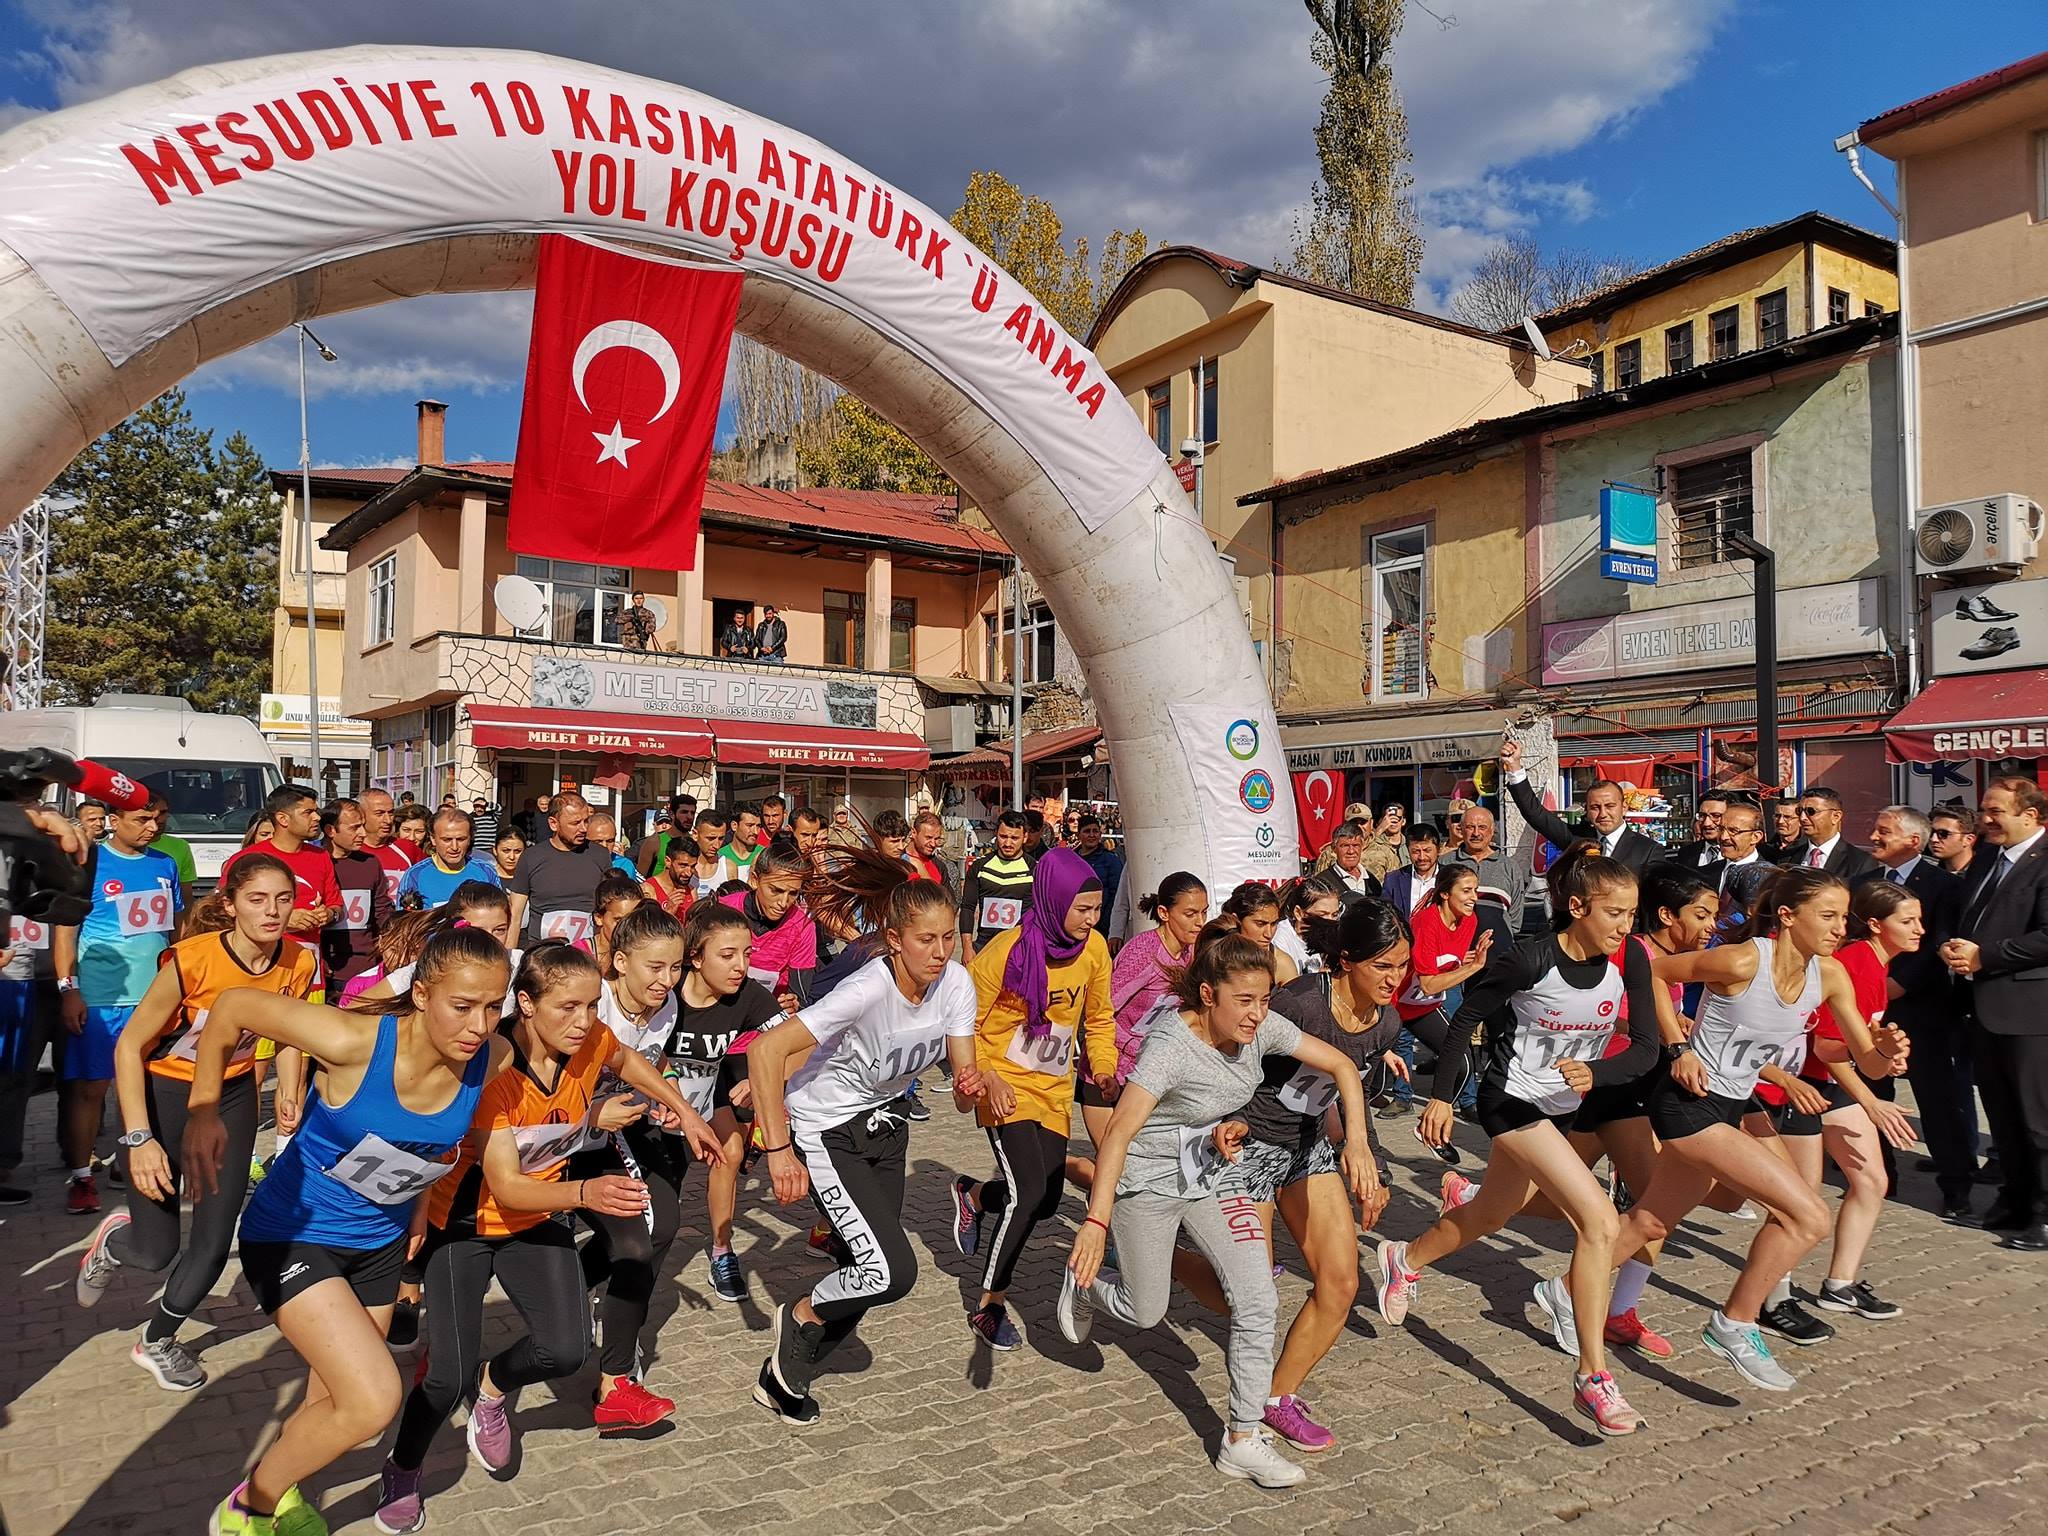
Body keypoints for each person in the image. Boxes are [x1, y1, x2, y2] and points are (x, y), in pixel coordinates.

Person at [374, 941, 712, 1532]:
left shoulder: (587, 1043)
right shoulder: (494, 1068)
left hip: (535, 1219)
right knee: (443, 1376)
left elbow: (628, 1060)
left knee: (566, 1350)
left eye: (589, 1006)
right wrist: (587, 1193)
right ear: (525, 1003)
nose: (584, 1022)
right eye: (567, 1008)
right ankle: (403, 1467)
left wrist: (685, 1110)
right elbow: (507, 1186)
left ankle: (495, 1386)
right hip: (465, 1225)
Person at [185, 922, 510, 1536]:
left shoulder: (492, 1057)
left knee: (329, 1400)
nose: (478, 1025)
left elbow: (433, 1147)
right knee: (372, 1401)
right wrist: (204, 1110)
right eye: (463, 1006)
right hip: (293, 1233)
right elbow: (231, 1007)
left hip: (381, 1247)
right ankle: (247, 1507)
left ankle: (285, 1495)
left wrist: (416, 1205)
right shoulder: (352, 1040)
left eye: (494, 1007)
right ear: (421, 994)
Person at [1058, 932, 1377, 1488]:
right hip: (1148, 1183)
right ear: (1208, 995)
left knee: (1258, 1298)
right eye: (1245, 1001)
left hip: (1214, 1176)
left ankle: (1242, 1439)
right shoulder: (1169, 1049)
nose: (1258, 1014)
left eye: (1264, 998)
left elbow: (1343, 1068)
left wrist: (1357, 1142)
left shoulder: (1263, 1029)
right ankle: (1086, 1285)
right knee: (1144, 1311)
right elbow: (1118, 1137)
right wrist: (1094, 1222)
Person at [1374, 848, 1661, 1435]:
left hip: (1565, 1105)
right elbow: (1461, 1021)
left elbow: (1646, 1049)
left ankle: (1403, 1259)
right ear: (1576, 907)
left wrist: (1596, 1075)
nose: (1625, 926)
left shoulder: (1630, 955)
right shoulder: (1528, 961)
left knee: (1491, 1211)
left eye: (1632, 913)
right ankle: (1592, 1376)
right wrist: (1441, 1097)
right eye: (1614, 913)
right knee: (1601, 1222)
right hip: (1509, 1101)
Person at [1601, 869, 1905, 1392]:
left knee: (1649, 1223)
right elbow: (1651, 973)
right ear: (1788, 917)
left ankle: (1564, 1293)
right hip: (1687, 1104)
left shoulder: (1830, 976)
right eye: (1827, 916)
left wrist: (1888, 1053)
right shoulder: (1742, 958)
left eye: (1843, 918)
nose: (1839, 928)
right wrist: (1678, 1047)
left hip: (1730, 1106)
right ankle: (1734, 1324)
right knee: (1807, 1215)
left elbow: (1868, 1064)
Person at [748, 844, 982, 1427]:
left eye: (949, 937)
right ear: (896, 938)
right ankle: (800, 1312)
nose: (940, 951)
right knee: (890, 1271)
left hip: (886, 1127)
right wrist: (778, 1151)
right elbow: (767, 1050)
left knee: (866, 1266)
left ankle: (782, 1375)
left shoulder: (955, 984)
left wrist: (977, 1085)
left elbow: (960, 1070)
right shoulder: (867, 987)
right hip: (827, 1129)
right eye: (926, 939)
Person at [73, 856, 317, 1390]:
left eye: (283, 899)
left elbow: (291, 1033)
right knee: (155, 1251)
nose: (273, 911)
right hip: (160, 1094)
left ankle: (157, 1339)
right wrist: (138, 1139)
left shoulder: (300, 962)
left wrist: (290, 1091)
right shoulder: (191, 960)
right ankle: (117, 1244)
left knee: (211, 1240)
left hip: (230, 1095)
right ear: (229, 904)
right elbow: (130, 1045)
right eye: (257, 899)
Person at [1182, 902, 1402, 1453]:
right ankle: (1153, 1253)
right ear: (1346, 961)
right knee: (1236, 1296)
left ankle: (1275, 1399)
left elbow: (1348, 1096)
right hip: (1248, 1144)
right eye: (1382, 967)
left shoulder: (1388, 1020)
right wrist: (1214, 1120)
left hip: (1306, 1149)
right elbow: (1226, 1049)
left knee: (1341, 1282)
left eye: (1402, 966)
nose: (1394, 979)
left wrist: (1368, 1158)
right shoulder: (1301, 1003)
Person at [949, 847, 1113, 1349]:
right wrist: (986, 1077)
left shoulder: (1095, 951)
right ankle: (990, 1305)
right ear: (1052, 899)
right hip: (1002, 1087)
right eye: (1082, 909)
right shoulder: (1006, 951)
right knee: (1026, 1195)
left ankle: (974, 1196)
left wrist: (1103, 1069)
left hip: (1053, 1090)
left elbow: (1100, 1021)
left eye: (1097, 910)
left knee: (1044, 1203)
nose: (1091, 919)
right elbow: (963, 1026)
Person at [1757, 879, 1921, 1338]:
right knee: (1799, 1199)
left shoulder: (1873, 964)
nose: (1920, 929)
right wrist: (1872, 1101)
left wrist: (1887, 1053)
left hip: (1830, 1081)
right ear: (1875, 925)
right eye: (1908, 921)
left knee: (1871, 1181)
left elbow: (1858, 1042)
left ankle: (1839, 1284)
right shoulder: (1853, 964)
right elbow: (1827, 1046)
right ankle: (1772, 1297)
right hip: (1805, 1083)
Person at [52, 801, 185, 1214]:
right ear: (113, 822)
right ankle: (80, 1176)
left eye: (157, 819)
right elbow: (66, 932)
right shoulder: (89, 862)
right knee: (91, 1089)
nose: (152, 826)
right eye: (141, 820)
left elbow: (176, 927)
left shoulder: (166, 862)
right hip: (102, 997)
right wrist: (68, 989)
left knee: (145, 1087)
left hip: (155, 998)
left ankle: (129, 1161)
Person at [657, 903, 785, 1305]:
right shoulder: (666, 992)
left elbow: (797, 1042)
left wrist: (761, 1078)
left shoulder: (748, 996)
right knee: (655, 1210)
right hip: (652, 1104)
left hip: (707, 1095)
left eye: (747, 954)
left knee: (731, 1151)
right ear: (695, 958)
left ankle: (721, 1251)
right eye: (727, 956)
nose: (740, 966)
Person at [1941, 776, 2048, 1251]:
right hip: (1983, 1009)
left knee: (2038, 1117)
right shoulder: (1987, 857)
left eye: (1996, 811)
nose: (1985, 819)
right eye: (1984, 810)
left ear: (2030, 815)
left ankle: (2045, 1214)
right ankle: (2016, 1199)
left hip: (2030, 1012)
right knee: (2003, 1116)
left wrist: (1989, 955)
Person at [1868, 804, 1975, 1221]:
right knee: (1875, 1092)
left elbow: (1941, 943)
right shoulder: (1866, 882)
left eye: (1884, 831)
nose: (1874, 837)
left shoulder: (1942, 885)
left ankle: (1956, 1188)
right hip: (1873, 1007)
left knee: (1938, 1100)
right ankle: (1882, 1176)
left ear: (1913, 841)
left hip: (1925, 1007)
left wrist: (1902, 983)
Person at [1389, 864, 1493, 1118]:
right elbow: (1428, 983)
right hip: (1392, 1006)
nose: (1473, 898)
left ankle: (1434, 1118)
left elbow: (1448, 961)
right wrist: (1474, 966)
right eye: (1467, 891)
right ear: (1445, 893)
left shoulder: (1470, 920)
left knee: (1462, 1061)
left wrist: (1466, 960)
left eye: (1475, 891)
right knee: (1371, 1078)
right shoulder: (1426, 922)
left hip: (1423, 1007)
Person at [1109, 873, 1209, 1102]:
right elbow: (1101, 1011)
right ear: (1164, 913)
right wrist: (1135, 1046)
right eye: (1190, 914)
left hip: (1151, 1072)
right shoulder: (1143, 951)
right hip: (1112, 1072)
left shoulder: (1190, 952)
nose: (1200, 922)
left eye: (1204, 912)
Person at [1499, 736, 1662, 874]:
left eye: (1610, 806)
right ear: (1587, 811)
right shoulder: (1576, 840)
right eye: (1595, 808)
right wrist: (1514, 767)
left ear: (1624, 808)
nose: (1603, 814)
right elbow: (1535, 813)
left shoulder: (1647, 850)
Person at [507, 791, 613, 946]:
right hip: (543, 953)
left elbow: (611, 908)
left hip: (588, 954)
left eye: (586, 821)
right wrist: (509, 959)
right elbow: (515, 916)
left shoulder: (600, 855)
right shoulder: (531, 857)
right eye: (575, 823)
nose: (583, 829)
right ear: (553, 824)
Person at [722, 840, 816, 1008]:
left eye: (793, 893)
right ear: (755, 879)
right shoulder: (723, 910)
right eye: (776, 890)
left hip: (767, 1016)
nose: (784, 902)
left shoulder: (803, 927)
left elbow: (800, 996)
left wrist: (794, 1004)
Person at [321, 798, 396, 993]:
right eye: (354, 828)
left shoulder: (370, 863)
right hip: (326, 969)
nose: (362, 834)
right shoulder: (315, 863)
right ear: (331, 830)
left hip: (366, 966)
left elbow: (382, 910)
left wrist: (388, 942)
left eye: (362, 826)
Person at [1442, 801, 1531, 955]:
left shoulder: (1509, 867)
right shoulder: (1445, 863)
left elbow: (1515, 921)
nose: (1476, 833)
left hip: (1498, 956)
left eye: (1482, 827)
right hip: (1453, 955)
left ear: (1492, 830)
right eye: (1470, 827)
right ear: (1461, 830)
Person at [959, 810, 1034, 960]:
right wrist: (967, 947)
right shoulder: (979, 866)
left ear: (1025, 837)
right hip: (985, 946)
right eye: (1003, 836)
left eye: (1014, 838)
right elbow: (967, 907)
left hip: (1020, 949)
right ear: (996, 834)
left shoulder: (1035, 869)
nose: (1008, 843)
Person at [396, 807, 502, 910]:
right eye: (447, 840)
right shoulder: (415, 875)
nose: (454, 847)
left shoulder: (486, 871)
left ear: (470, 839)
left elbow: (500, 914)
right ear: (433, 839)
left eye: (461, 839)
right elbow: (403, 923)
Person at [1794, 786, 1881, 883]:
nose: (1802, 818)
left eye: (1811, 812)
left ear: (1836, 816)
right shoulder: (1791, 856)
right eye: (1799, 811)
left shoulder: (1860, 861)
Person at [1219, 881, 1299, 985]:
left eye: (1274, 924)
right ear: (1236, 920)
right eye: (1260, 924)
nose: (1269, 934)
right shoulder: (1216, 957)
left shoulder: (1281, 964)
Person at [1272, 873, 1344, 979]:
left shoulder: (1329, 938)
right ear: (1299, 913)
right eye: (1322, 914)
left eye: (1335, 915)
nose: (1330, 921)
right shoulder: (1280, 939)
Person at [359, 787, 420, 905]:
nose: (387, 820)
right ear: (361, 815)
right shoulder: (349, 851)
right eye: (380, 813)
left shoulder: (407, 848)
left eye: (391, 813)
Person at [1072, 816, 1124, 929]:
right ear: (1078, 835)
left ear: (1100, 835)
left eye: (1095, 831)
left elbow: (1116, 895)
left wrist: (1104, 922)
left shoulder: (1111, 860)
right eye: (1087, 831)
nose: (1092, 835)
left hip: (1101, 924)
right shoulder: (1070, 860)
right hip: (1074, 923)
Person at [146, 793, 198, 905]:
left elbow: (186, 897)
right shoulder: (106, 850)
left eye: (163, 812)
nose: (159, 819)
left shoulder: (180, 846)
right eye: (151, 813)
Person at [1382, 823, 1442, 919]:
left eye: (1427, 851)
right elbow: (1386, 916)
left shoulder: (1451, 878)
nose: (1422, 857)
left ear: (1438, 849)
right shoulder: (1393, 880)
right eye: (1415, 851)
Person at [634, 793, 698, 876]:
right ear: (672, 814)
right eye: (684, 812)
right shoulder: (654, 842)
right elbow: (639, 878)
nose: (689, 817)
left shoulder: (694, 844)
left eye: (692, 813)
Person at [1666, 791, 1731, 871]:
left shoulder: (1740, 854)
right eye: (1702, 816)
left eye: (1716, 816)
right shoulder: (1687, 853)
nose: (1707, 823)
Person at [1323, 821, 1382, 905]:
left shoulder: (1372, 882)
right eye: (1345, 846)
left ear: (1362, 846)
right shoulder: (1324, 883)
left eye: (1355, 845)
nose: (1351, 851)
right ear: (1334, 848)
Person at [1359, 801, 1408, 882]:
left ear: (1403, 821)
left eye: (1397, 818)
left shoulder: (1409, 844)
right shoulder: (1375, 841)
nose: (1393, 822)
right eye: (1389, 818)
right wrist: (1380, 829)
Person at [1928, 804, 1978, 875]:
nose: (1934, 839)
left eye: (1943, 834)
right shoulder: (1926, 873)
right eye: (1931, 832)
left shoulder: (1985, 874)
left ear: (1968, 839)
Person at [723, 802, 765, 884]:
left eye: (758, 826)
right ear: (734, 826)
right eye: (750, 825)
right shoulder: (720, 856)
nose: (755, 832)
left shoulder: (764, 855)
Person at [1766, 798, 1810, 867]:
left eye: (1787, 817)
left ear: (1800, 821)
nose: (1780, 821)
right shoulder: (1764, 849)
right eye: (1777, 816)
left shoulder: (1808, 850)